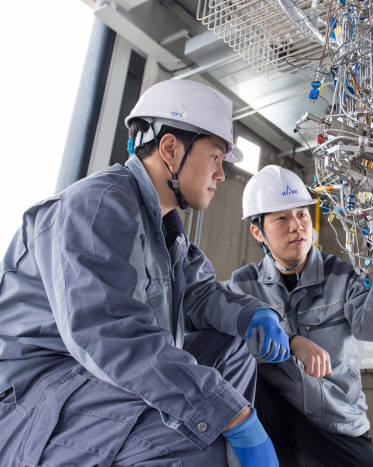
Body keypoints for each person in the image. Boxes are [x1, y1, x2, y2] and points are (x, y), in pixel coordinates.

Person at [0, 79, 289, 466]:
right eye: (216, 157)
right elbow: (109, 332)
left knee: (233, 349)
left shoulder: (164, 230)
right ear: (171, 148)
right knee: (201, 437)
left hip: (93, 379)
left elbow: (201, 295)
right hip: (40, 392)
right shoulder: (97, 207)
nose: (221, 175)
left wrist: (252, 314)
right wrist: (231, 415)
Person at [226, 165, 373, 467]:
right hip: (276, 421)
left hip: (337, 423)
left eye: (302, 214)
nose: (297, 226)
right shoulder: (243, 284)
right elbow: (221, 334)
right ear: (257, 231)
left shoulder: (340, 275)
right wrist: (290, 341)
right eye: (281, 217)